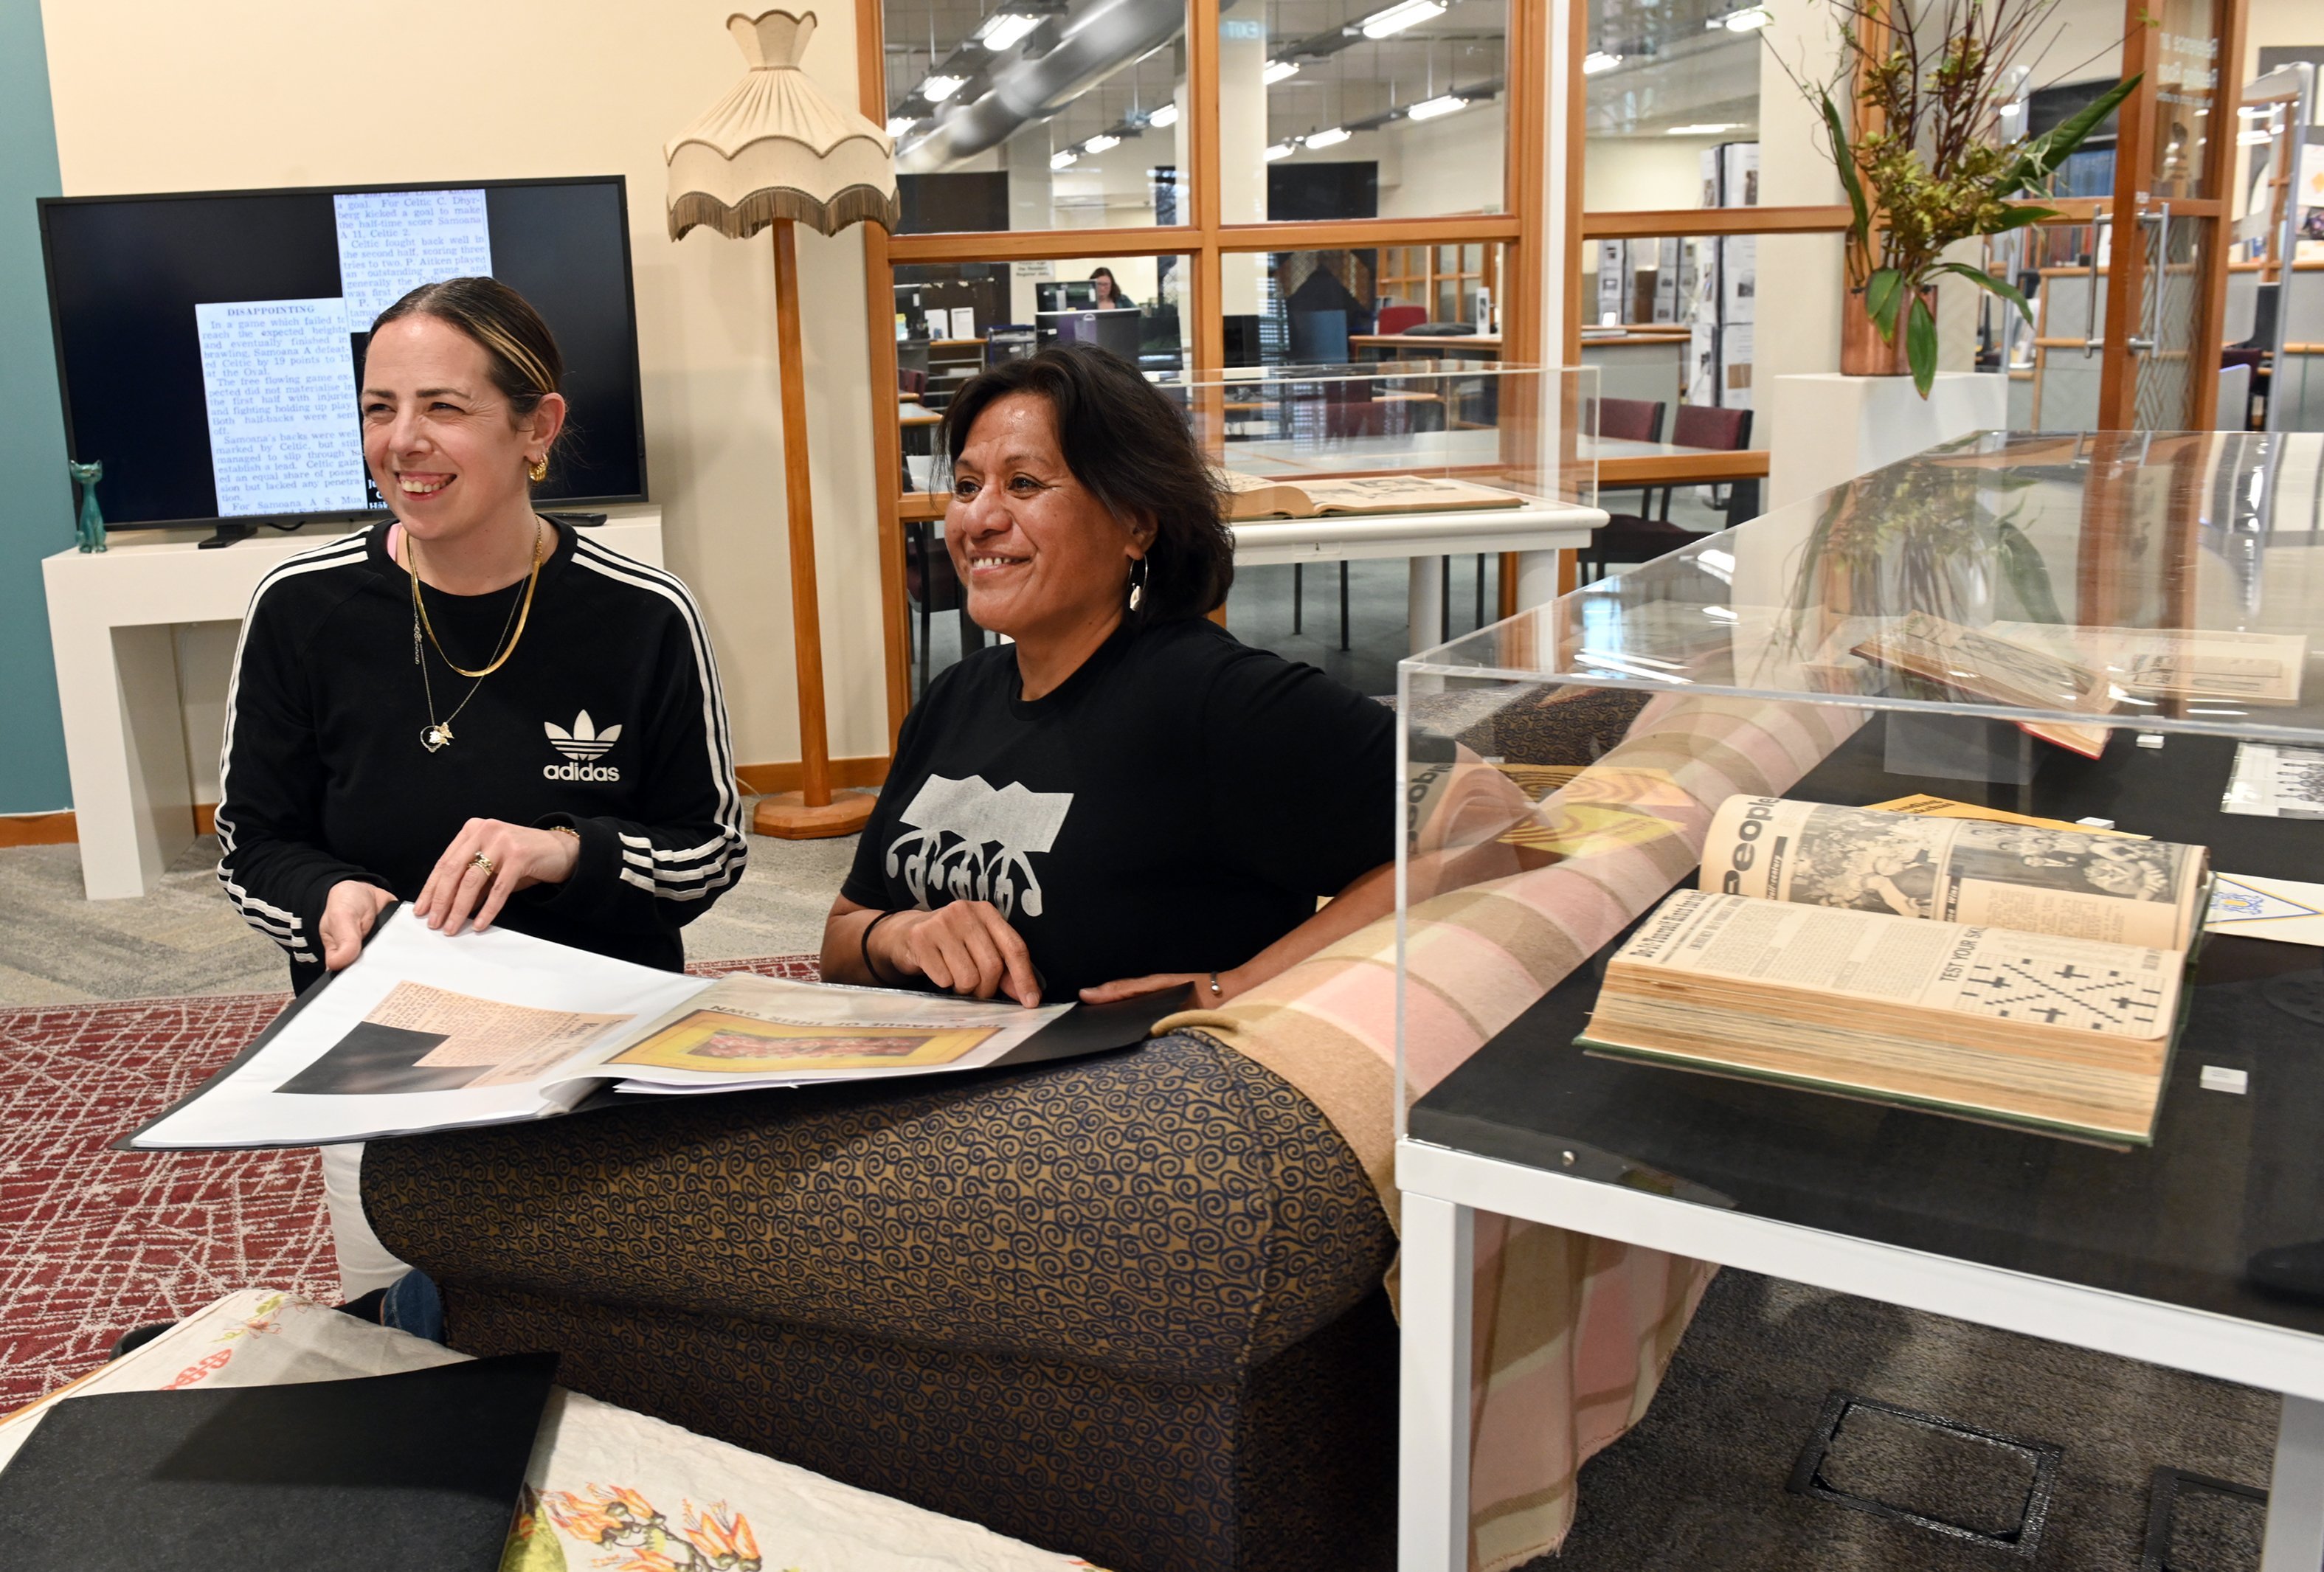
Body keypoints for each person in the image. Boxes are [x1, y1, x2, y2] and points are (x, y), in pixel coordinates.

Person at [215, 274, 746, 1298]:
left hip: (600, 1052)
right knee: (400, 1346)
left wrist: (564, 849)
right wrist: (328, 897)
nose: (401, 440)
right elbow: (252, 843)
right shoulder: (300, 608)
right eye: (380, 407)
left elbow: (708, 848)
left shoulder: (644, 615)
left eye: (443, 407)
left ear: (535, 427)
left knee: (620, 1340)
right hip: (380, 1060)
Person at [820, 344, 1394, 1009]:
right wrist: (902, 933)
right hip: (941, 1080)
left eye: (1025, 484)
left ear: (1136, 521)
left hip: (1130, 1099)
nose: (978, 519)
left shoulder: (1214, 696)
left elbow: (1488, 830)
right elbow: (840, 938)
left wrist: (1233, 989)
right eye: (969, 486)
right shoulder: (956, 695)